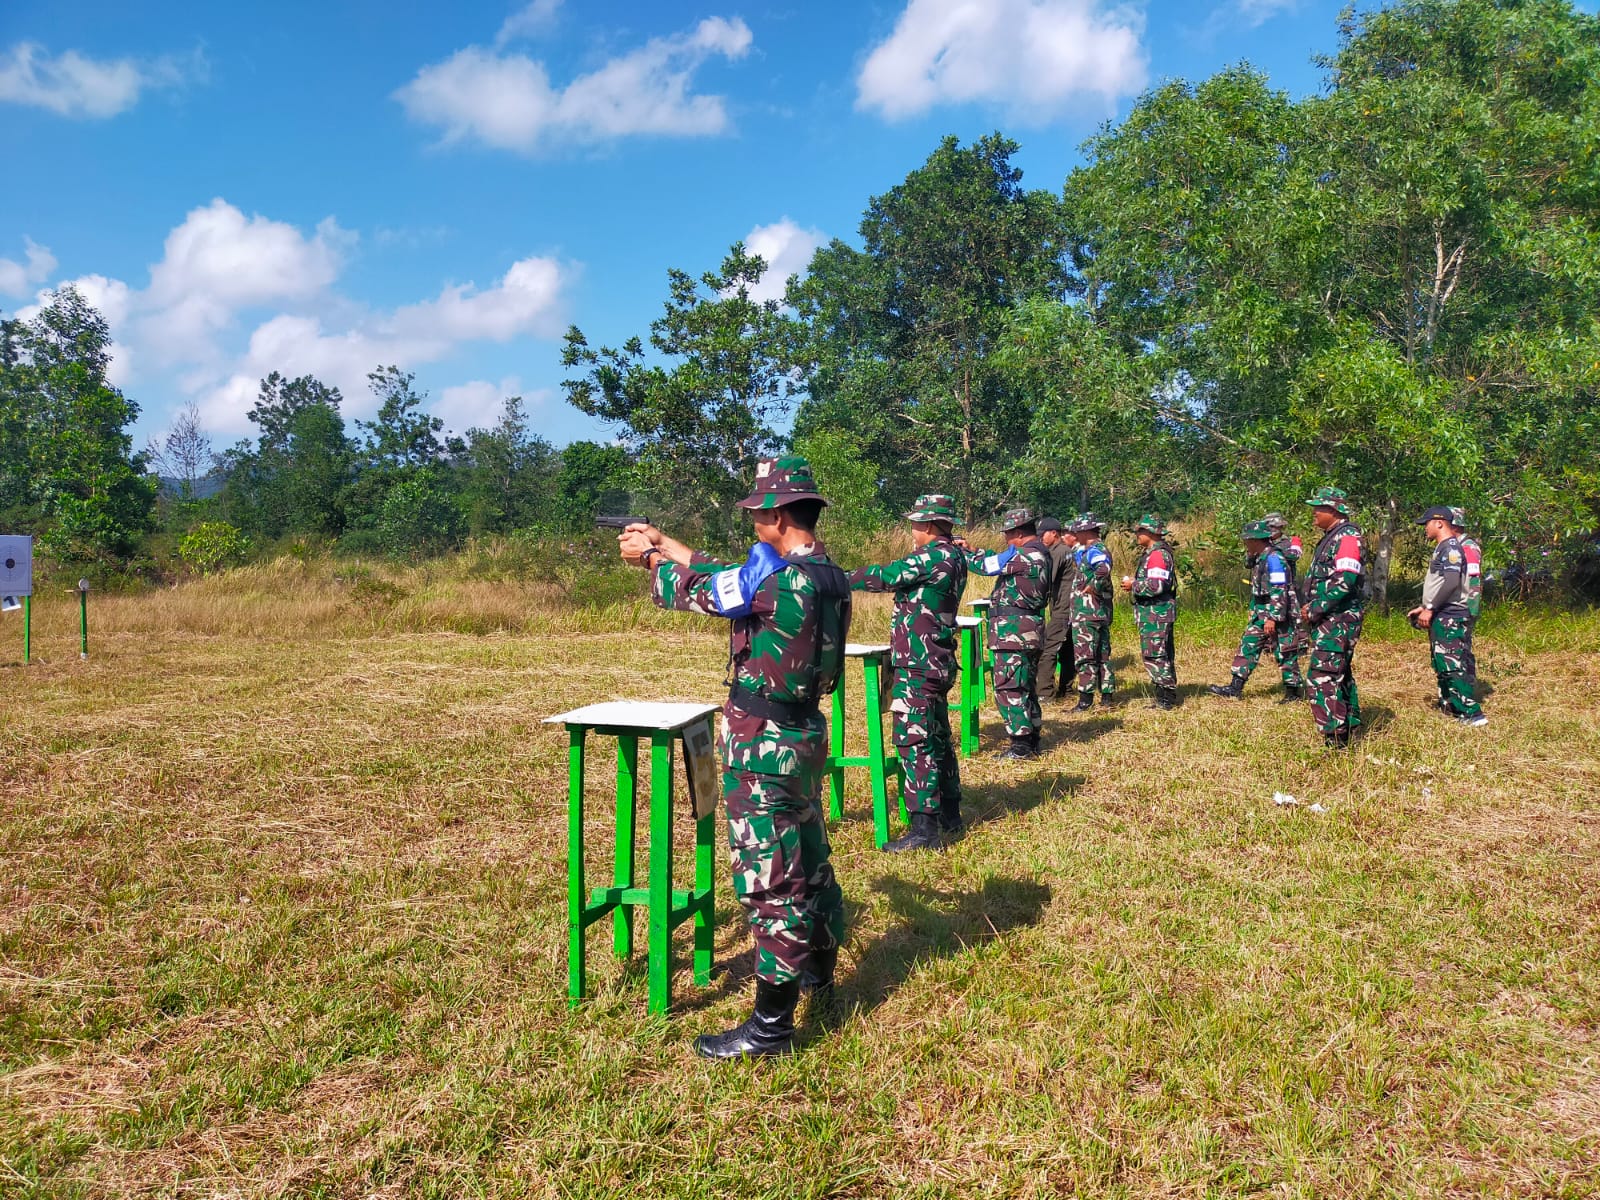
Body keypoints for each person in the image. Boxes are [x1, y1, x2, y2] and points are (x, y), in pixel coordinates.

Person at [618, 456, 849, 1059]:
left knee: (769, 877)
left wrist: (649, 560)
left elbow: (702, 593)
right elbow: (730, 575)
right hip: (801, 732)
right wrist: (669, 543)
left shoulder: (775, 583)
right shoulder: (825, 574)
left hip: (763, 737)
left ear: (776, 516)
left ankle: (772, 1027)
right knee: (809, 855)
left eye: (756, 514)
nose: (752, 522)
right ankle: (819, 974)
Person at [848, 494, 969, 851]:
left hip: (920, 663)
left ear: (929, 526)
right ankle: (950, 814)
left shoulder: (932, 556)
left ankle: (924, 830)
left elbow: (884, 576)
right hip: (937, 659)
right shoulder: (955, 555)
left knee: (914, 740)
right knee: (938, 736)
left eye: (915, 524)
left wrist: (836, 578)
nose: (912, 530)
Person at [960, 508, 1053, 759]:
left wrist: (964, 554)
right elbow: (997, 559)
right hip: (1028, 630)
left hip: (1014, 632)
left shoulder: (1026, 556)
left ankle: (1020, 746)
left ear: (1019, 533)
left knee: (1010, 687)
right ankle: (1031, 739)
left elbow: (986, 566)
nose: (1005, 540)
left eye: (1008, 535)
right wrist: (971, 550)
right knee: (1025, 686)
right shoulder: (1037, 554)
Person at [1208, 519, 1304, 702]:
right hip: (1261, 609)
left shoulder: (1275, 559)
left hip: (1278, 610)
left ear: (1255, 539)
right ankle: (1235, 687)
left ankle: (1293, 693)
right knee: (1248, 644)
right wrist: (1254, 609)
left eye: (1247, 540)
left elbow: (1279, 589)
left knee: (1284, 650)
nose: (1244, 542)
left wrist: (1273, 618)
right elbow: (1258, 588)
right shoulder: (1259, 558)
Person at [1300, 486, 1366, 749]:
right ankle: (1349, 723)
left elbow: (1345, 580)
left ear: (1334, 510)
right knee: (1339, 672)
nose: (1314, 513)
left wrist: (1316, 607)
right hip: (1331, 618)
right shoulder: (1333, 536)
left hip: (1338, 618)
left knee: (1322, 676)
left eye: (1318, 508)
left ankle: (1335, 736)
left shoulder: (1348, 537)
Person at [1409, 505, 1487, 726]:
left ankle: (1470, 711)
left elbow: (1458, 582)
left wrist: (1432, 607)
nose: (1425, 528)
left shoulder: (1456, 548)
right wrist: (1425, 606)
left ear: (1440, 523)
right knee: (1443, 660)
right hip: (1444, 610)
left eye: (1427, 523)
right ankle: (1450, 703)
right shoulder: (1446, 546)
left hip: (1453, 612)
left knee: (1454, 661)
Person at [1123, 513, 1180, 709]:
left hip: (1156, 613)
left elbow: (1157, 585)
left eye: (1141, 531)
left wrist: (1134, 585)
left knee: (1155, 654)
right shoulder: (1154, 553)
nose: (1137, 534)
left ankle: (1166, 697)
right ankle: (1165, 693)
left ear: (1151, 532)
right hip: (1155, 612)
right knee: (1159, 652)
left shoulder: (1157, 555)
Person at [1069, 514, 1116, 710]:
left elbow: (1103, 569)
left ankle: (1085, 700)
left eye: (1077, 531)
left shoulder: (1096, 550)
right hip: (1098, 611)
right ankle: (1107, 697)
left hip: (1088, 612)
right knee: (1102, 654)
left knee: (1085, 656)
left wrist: (1093, 586)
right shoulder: (1089, 550)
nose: (1074, 534)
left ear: (1086, 531)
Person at [1036, 517, 1079, 702]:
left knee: (1047, 650)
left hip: (1063, 609)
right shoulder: (1066, 551)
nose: (1040, 539)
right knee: (1067, 651)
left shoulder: (1058, 552)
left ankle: (1045, 693)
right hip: (1068, 607)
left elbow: (1046, 580)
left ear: (1054, 533)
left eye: (1042, 534)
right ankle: (1066, 690)